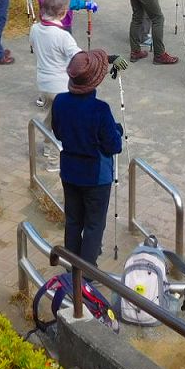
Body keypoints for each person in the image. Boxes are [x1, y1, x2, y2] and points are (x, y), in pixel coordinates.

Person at [52, 49, 124, 266]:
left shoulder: (60, 101)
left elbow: (58, 132)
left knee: (73, 221)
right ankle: (87, 274)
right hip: (96, 177)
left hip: (70, 171)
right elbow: (114, 146)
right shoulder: (100, 110)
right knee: (94, 225)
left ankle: (71, 268)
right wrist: (117, 130)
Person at [30, 0, 82, 170]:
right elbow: (79, 58)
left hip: (43, 83)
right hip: (60, 86)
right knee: (63, 123)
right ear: (62, 12)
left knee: (52, 116)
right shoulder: (62, 36)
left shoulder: (35, 28)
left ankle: (46, 145)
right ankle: (54, 160)